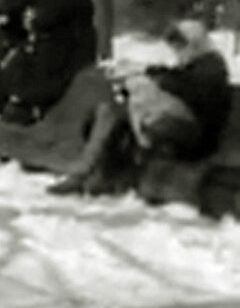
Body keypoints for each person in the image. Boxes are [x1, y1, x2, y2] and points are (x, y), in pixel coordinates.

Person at [48, 19, 233, 196]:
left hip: (195, 134)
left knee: (113, 114)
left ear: (195, 43)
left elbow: (190, 87)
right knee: (113, 113)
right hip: (181, 124)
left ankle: (86, 172)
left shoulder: (211, 66)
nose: (177, 52)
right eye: (175, 47)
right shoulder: (197, 64)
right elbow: (178, 80)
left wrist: (154, 78)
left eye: (180, 46)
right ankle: (98, 174)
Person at [0, 0, 97, 124]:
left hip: (61, 57)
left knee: (21, 65)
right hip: (70, 53)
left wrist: (30, 21)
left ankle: (22, 108)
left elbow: (42, 17)